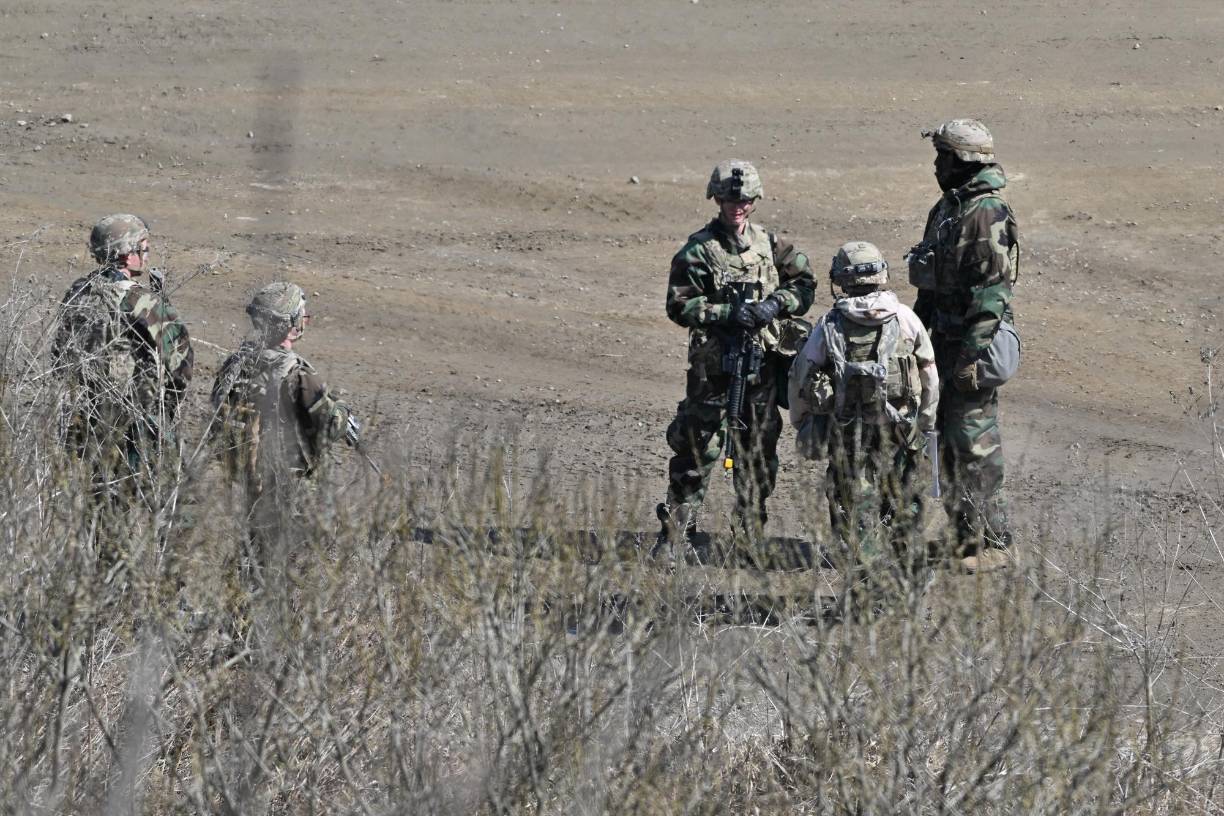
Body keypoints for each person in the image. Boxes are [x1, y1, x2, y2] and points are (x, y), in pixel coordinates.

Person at [657, 159, 815, 545]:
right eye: (729, 199)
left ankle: (749, 534)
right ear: (717, 199)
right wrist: (727, 313)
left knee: (759, 452)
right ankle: (678, 531)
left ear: (755, 200)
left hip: (760, 368)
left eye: (744, 199)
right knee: (698, 449)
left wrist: (775, 305)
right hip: (713, 370)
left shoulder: (771, 244)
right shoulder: (698, 250)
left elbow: (805, 284)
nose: (737, 205)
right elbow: (679, 305)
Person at [789, 241, 939, 609]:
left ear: (841, 279)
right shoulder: (905, 318)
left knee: (854, 514)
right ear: (882, 274)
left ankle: (865, 595)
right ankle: (907, 596)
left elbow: (801, 376)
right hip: (902, 436)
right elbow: (930, 375)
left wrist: (803, 422)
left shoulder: (829, 325)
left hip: (848, 438)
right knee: (906, 510)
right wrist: (924, 422)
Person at [906, 119, 1020, 571]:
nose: (937, 165)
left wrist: (971, 357)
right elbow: (932, 284)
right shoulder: (949, 208)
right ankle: (963, 537)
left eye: (943, 157)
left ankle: (995, 543)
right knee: (948, 444)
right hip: (942, 342)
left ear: (963, 161)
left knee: (975, 444)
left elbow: (992, 294)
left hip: (971, 345)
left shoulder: (985, 213)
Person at [52, 213, 195, 506]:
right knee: (163, 506)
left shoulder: (78, 291)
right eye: (144, 247)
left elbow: (59, 356)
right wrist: (166, 408)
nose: (146, 254)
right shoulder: (139, 299)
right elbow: (181, 358)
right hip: (132, 424)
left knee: (100, 507)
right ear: (128, 254)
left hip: (87, 417)